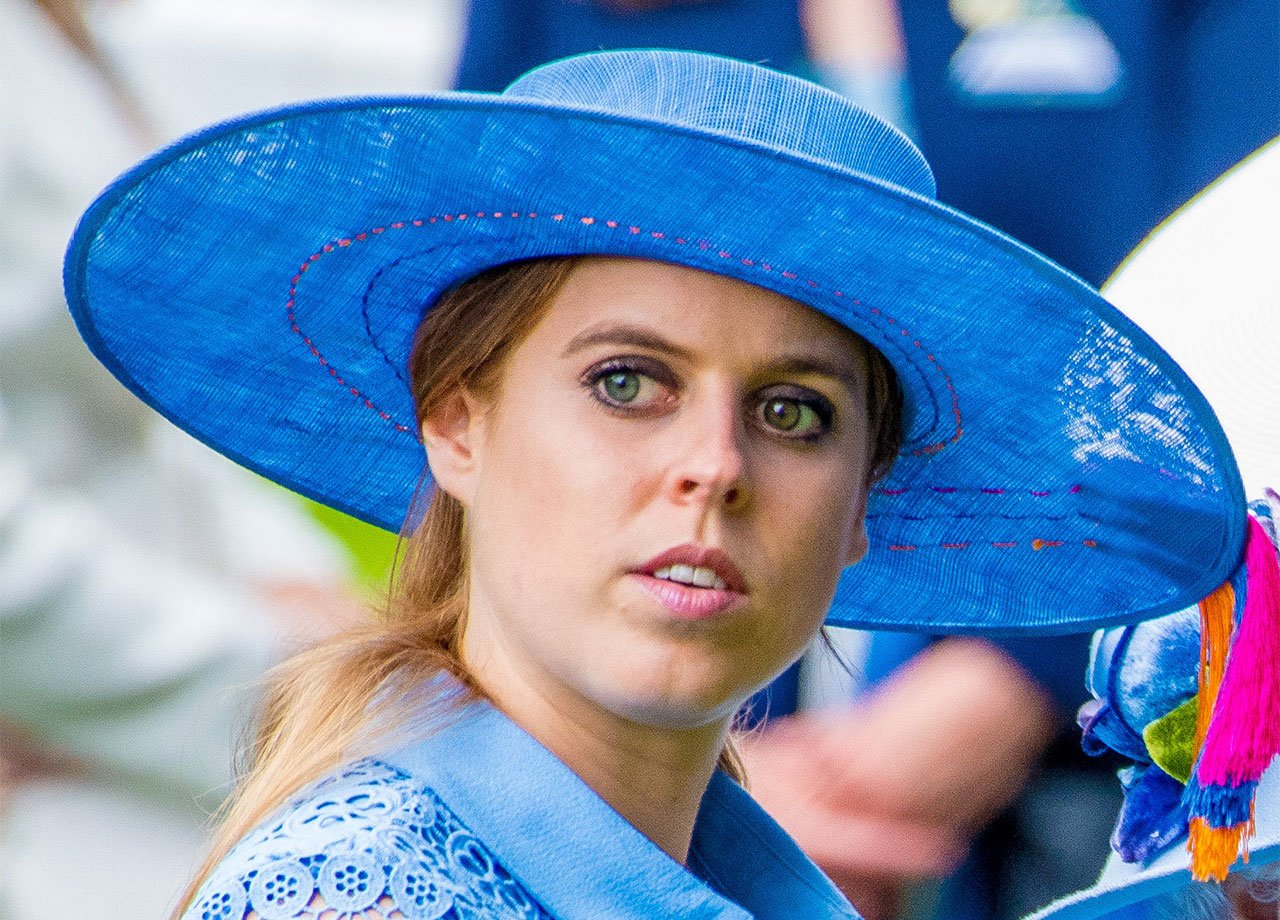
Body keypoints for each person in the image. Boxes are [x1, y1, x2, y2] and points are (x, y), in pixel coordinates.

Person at [62, 49, 1248, 919]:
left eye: (795, 411)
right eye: (628, 382)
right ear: (456, 420)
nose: (714, 467)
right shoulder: (366, 896)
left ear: (861, 509)